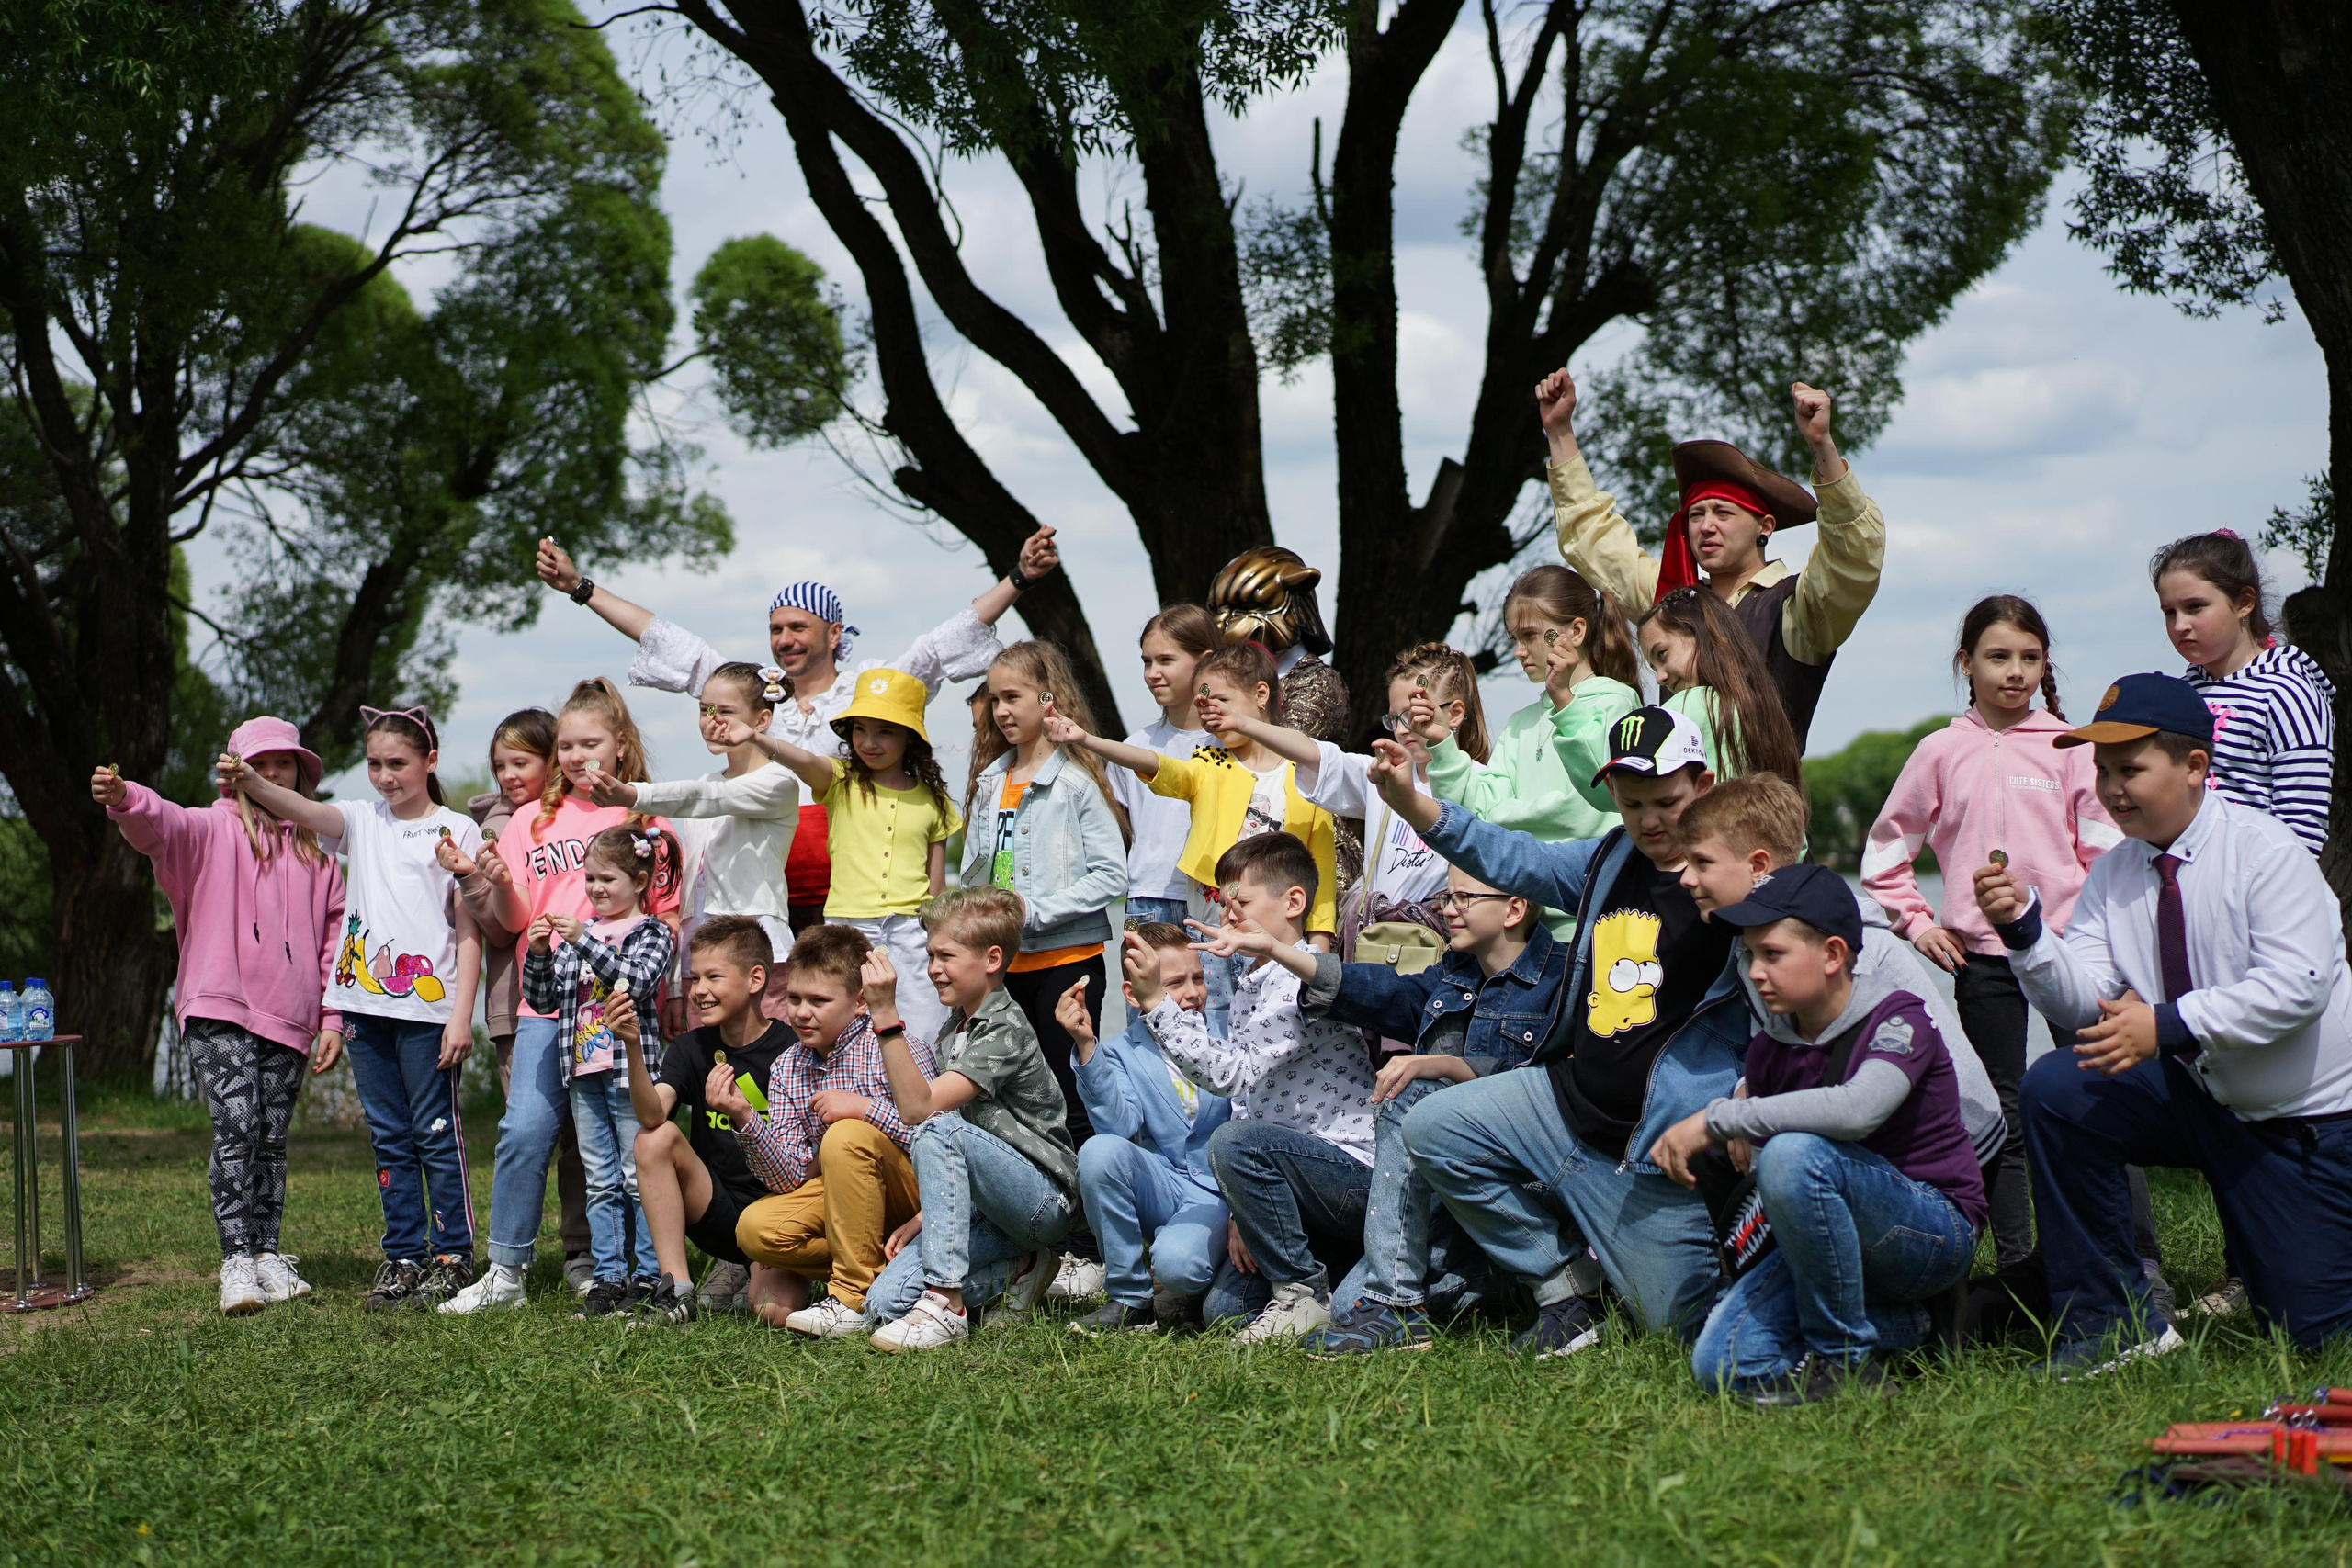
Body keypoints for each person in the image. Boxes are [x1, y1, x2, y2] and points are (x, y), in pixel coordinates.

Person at [1978, 673, 2352, 1372]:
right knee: (2058, 1086)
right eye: (2102, 770)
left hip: (2300, 1119)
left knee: (2314, 1334)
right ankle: (2111, 1321)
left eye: (2131, 768)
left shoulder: (2266, 851)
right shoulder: (2116, 871)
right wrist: (2025, 928)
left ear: (2194, 766)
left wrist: (2168, 1024)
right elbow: (2083, 999)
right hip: (2199, 1091)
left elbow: (2299, 986)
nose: (2112, 787)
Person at [1384, 705, 1750, 1355]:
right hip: (1564, 1106)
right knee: (1431, 1127)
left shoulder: (1734, 886)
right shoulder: (1606, 860)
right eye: (1633, 803)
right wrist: (1415, 804)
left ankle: (1644, 1259)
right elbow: (1507, 852)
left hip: (1651, 1159)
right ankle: (1565, 1286)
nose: (1651, 820)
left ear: (1705, 782)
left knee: (1673, 1325)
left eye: (1667, 800)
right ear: (1613, 795)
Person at [537, 527, 1061, 932]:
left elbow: (939, 646)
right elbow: (672, 641)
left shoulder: (866, 692)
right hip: (768, 886)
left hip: (849, 884)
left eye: (797, 628)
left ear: (834, 633)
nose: (784, 640)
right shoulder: (757, 696)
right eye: (775, 629)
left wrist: (1018, 577)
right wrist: (580, 588)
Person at [1652, 865, 1985, 1405]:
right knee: (1722, 1365)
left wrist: (1717, 1118)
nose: (1755, 972)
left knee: (1793, 1152)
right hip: (1833, 1250)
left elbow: (1858, 1110)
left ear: (1832, 955)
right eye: (1749, 956)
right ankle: (1912, 1326)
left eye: (1773, 955)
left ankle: (1844, 1361)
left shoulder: (1898, 1019)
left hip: (1928, 1234)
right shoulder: (1770, 1048)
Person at [1860, 595, 2120, 1276]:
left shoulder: (2071, 746)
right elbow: (1886, 855)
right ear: (1966, 663)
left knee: (2099, 1096)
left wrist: (2099, 939)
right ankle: (2018, 1268)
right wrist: (1918, 923)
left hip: (2068, 952)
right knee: (2001, 1110)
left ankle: (2130, 1258)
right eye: (1999, 657)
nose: (2015, 672)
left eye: (2030, 658)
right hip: (1982, 958)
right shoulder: (1939, 750)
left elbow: (2104, 852)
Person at [221, 708, 485, 1312]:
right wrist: (248, 780)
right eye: (375, 764)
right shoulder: (362, 821)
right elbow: (302, 810)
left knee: (436, 1134)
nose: (386, 776)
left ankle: (452, 1254)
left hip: (428, 1013)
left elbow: (469, 929)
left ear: (430, 762)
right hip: (363, 1010)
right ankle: (403, 1255)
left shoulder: (457, 829)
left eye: (398, 763)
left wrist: (460, 1013)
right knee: (391, 1139)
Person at [94, 718, 345, 1315]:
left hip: (290, 1016)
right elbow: (161, 824)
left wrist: (331, 1016)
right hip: (219, 1004)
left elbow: (338, 937)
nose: (272, 773)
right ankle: (236, 1260)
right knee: (237, 1125)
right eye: (261, 762)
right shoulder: (209, 829)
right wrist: (126, 797)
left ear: (300, 775)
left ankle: (266, 1253)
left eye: (284, 763)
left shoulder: (319, 852)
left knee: (271, 1138)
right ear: (236, 772)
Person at [443, 678, 677, 1314]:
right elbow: (517, 917)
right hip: (547, 1004)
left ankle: (636, 1271)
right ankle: (507, 1271)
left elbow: (666, 918)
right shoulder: (529, 821)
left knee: (625, 1148)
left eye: (590, 743)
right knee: (525, 1129)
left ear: (620, 746)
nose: (576, 756)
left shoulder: (641, 816)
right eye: (567, 744)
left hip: (620, 1012)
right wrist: (496, 884)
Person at [1677, 774, 2007, 1179]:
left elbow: (1846, 1076)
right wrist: (1747, 1092)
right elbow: (1784, 1047)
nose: (1685, 878)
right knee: (1719, 1153)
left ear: (1758, 867)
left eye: (1702, 862)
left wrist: (1747, 1116)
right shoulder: (1752, 944)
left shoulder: (1848, 944)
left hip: (1948, 1143)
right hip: (1869, 1120)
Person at [1295, 864, 1564, 1356]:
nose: (1447, 909)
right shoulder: (1452, 975)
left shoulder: (1563, 978)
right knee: (1348, 1303)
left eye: (1464, 898)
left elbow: (1547, 1089)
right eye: (1446, 896)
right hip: (1449, 1191)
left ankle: (1397, 1301)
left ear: (1515, 908)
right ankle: (1491, 1275)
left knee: (1413, 1090)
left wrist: (1448, 1066)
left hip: (1521, 1183)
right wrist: (1281, 953)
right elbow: (1382, 990)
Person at [1540, 368, 1884, 749]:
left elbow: (1852, 557)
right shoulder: (1672, 600)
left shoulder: (1797, 608)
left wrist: (1822, 446)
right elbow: (1595, 540)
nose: (1706, 526)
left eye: (1723, 513)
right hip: (1677, 802)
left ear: (1764, 526)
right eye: (1696, 515)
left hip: (1761, 802)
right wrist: (1559, 433)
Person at [1134, 834, 1378, 1344]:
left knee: (1231, 1143)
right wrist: (1247, 1210)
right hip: (1295, 1180)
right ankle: (1335, 1271)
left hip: (1349, 1178)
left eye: (1240, 903)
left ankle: (1300, 1292)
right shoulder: (1255, 981)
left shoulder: (1300, 981)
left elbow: (1232, 1076)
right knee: (1224, 1311)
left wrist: (1158, 1002)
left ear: (1293, 902)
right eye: (1223, 904)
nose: (1227, 916)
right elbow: (1248, 1104)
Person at [1049, 640, 1340, 1039]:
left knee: (1278, 1033)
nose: (1211, 712)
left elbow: (1321, 870)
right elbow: (1161, 767)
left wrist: (1319, 952)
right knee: (1217, 1030)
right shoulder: (1209, 762)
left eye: (1221, 699)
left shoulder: (1310, 773)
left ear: (1260, 694)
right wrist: (1086, 740)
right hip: (1214, 937)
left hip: (1283, 944)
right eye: (1204, 704)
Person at [960, 639, 1131, 1299]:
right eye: (994, 698)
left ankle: (1093, 1246)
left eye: (1013, 697)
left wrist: (1034, 908)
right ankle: (1036, 1239)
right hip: (1008, 967)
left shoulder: (1077, 780)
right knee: (1011, 1099)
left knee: (1070, 1093)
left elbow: (1111, 875)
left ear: (1047, 701)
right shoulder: (988, 783)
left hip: (1068, 961)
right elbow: (979, 869)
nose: (1001, 710)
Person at [862, 888, 1079, 1350]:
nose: (932, 968)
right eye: (929, 955)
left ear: (992, 958)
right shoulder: (953, 1030)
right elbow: (956, 1136)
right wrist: (926, 1216)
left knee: (936, 1125)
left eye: (946, 955)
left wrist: (884, 1014)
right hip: (989, 1206)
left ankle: (946, 1303)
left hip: (1040, 1201)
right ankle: (1022, 1269)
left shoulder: (1003, 1026)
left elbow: (923, 1111)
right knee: (884, 1302)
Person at [708, 923, 933, 1337]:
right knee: (754, 1229)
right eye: (794, 998)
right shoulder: (788, 1066)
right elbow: (789, 1178)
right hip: (844, 1205)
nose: (801, 1012)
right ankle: (884, 1272)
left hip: (911, 1198)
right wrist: (744, 1118)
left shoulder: (897, 1048)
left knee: (846, 1134)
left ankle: (850, 1296)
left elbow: (940, 1140)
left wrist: (866, 1110)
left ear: (861, 1000)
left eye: (819, 1000)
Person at [714, 667, 960, 1044]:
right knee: (849, 1032)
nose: (869, 741)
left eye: (885, 731)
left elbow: (938, 886)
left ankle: (923, 1102)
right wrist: (759, 739)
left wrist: (944, 946)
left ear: (910, 737)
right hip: (849, 929)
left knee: (924, 1027)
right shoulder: (841, 780)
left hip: (913, 930)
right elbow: (804, 761)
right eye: (860, 729)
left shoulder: (934, 799)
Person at [439, 709, 595, 1296]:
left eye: (520, 762)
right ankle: (511, 1265)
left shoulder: (586, 816)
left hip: (587, 999)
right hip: (521, 1007)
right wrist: (477, 879)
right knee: (527, 1128)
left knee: (586, 1138)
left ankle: (583, 1252)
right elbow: (496, 926)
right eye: (499, 765)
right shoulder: (503, 828)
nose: (508, 774)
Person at [1243, 642, 1488, 973]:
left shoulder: (1483, 785)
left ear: (1455, 714)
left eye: (1416, 716)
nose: (1402, 729)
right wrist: (1242, 723)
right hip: (1376, 951)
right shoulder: (1380, 774)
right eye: (1394, 718)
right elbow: (1313, 753)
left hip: (1446, 956)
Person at [521, 825, 679, 1318]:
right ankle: (608, 1277)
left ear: (639, 880)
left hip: (630, 1074)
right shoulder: (578, 935)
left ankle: (651, 1274)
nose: (595, 889)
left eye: (607, 878)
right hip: (584, 1074)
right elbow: (542, 999)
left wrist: (583, 943)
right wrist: (540, 954)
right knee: (600, 1179)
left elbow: (635, 982)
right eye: (589, 878)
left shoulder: (652, 933)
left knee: (638, 1176)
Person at [588, 660, 798, 1023]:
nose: (711, 721)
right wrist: (677, 982)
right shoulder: (709, 780)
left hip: (758, 955)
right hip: (700, 963)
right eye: (705, 710)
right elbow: (691, 894)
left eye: (726, 711)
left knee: (761, 1071)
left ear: (762, 720)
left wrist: (631, 794)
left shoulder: (779, 782)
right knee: (708, 1074)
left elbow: (707, 797)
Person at [612, 916, 794, 1326]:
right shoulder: (691, 1047)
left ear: (755, 979)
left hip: (778, 1216)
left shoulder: (791, 1047)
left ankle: (748, 1271)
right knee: (653, 1138)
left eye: (714, 976)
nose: (699, 991)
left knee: (772, 1311)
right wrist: (633, 1048)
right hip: (716, 1210)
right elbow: (651, 1114)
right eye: (694, 978)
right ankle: (677, 1289)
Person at [1057, 922, 1232, 1337]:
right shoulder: (1120, 1050)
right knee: (1099, 1151)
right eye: (1174, 983)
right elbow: (1118, 1127)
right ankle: (1130, 1300)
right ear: (1133, 994)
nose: (1191, 993)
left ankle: (1204, 1277)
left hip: (1222, 1186)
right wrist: (1086, 1045)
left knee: (1178, 1267)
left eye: (1198, 978)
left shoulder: (1230, 1031)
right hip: (1165, 1181)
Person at [1422, 565, 1641, 852]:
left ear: (1575, 631)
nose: (1518, 651)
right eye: (1514, 638)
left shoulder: (1615, 701)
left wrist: (1506, 820)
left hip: (1590, 885)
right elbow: (1476, 813)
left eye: (1529, 635)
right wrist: (1442, 744)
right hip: (1523, 889)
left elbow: (1598, 800)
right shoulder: (1519, 723)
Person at [2154, 530, 2335, 855]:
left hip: (2258, 887)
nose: (2180, 624)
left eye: (2195, 607)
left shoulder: (2289, 692)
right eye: (2170, 612)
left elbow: (2302, 826)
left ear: (2244, 604)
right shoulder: (2181, 696)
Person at [1109, 605, 1218, 929]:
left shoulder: (1235, 745)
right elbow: (1119, 833)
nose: (1152, 673)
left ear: (1204, 660)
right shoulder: (1133, 748)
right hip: (1148, 896)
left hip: (1216, 897)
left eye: (1166, 660)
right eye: (1146, 661)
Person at [1634, 586, 1807, 789]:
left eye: (1662, 653)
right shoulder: (1764, 710)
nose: (1660, 678)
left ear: (1699, 632)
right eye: (1653, 667)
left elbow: (1636, 782)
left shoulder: (1687, 706)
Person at [1206, 545, 1349, 741]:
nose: (1223, 624)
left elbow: (1286, 756)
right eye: (1217, 612)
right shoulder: (1223, 679)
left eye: (1244, 609)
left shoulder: (1318, 682)